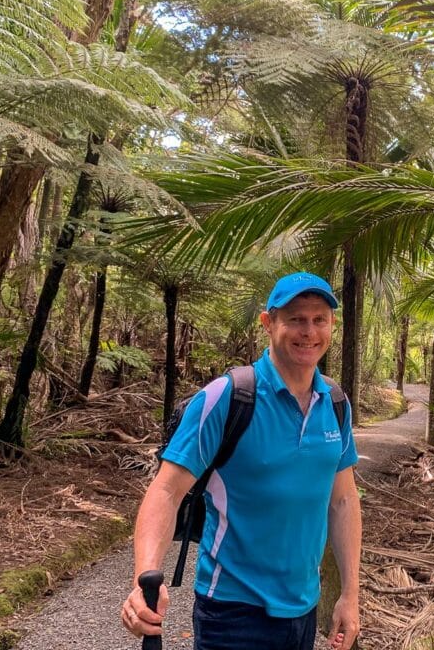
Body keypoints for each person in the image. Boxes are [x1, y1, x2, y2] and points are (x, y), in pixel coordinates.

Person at [121, 272, 361, 650]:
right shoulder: (228, 397)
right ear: (268, 323)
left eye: (319, 320)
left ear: (333, 325)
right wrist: (144, 577)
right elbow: (166, 491)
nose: (309, 331)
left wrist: (349, 594)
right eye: (296, 319)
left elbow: (343, 500)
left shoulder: (335, 403)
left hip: (303, 610)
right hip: (232, 612)